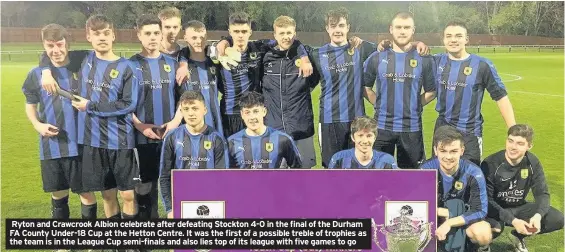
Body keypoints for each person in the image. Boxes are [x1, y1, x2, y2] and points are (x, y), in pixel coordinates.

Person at [63, 14, 139, 221]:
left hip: (120, 141)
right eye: (96, 34)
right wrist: (44, 72)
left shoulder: (126, 67)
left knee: (128, 194)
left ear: (113, 35)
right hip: (94, 142)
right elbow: (53, 53)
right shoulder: (83, 59)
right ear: (88, 36)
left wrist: (90, 106)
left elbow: (128, 104)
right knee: (107, 193)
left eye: (106, 33)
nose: (102, 37)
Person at [22, 24, 97, 231]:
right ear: (44, 46)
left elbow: (101, 53)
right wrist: (37, 125)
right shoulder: (36, 74)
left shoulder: (84, 65)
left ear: (68, 43)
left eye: (60, 44)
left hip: (82, 143)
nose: (56, 50)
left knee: (85, 193)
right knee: (58, 193)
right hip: (52, 145)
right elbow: (30, 105)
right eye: (50, 45)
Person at [432, 21, 516, 166]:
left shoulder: (482, 65)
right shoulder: (436, 61)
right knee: (440, 177)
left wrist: (514, 131)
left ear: (466, 39)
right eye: (449, 36)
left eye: (458, 36)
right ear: (444, 39)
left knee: (469, 177)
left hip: (469, 132)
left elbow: (500, 96)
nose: (453, 40)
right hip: (442, 129)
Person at [363, 11, 437, 169]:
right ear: (391, 29)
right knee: (378, 176)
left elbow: (432, 91)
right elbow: (366, 88)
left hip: (411, 128)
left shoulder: (425, 60)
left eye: (406, 27)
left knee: (411, 178)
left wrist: (415, 105)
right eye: (398, 27)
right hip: (382, 127)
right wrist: (380, 104)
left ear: (413, 30)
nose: (402, 31)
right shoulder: (376, 57)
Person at [129, 14, 182, 220]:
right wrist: (140, 126)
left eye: (156, 33)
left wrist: (175, 122)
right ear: (139, 36)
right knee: (145, 187)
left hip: (171, 135)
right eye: (147, 33)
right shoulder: (129, 65)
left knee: (173, 182)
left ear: (161, 35)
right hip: (142, 137)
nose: (152, 37)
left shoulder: (173, 64)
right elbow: (124, 103)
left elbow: (183, 99)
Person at [481, 124, 564, 252]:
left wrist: (537, 215)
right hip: (495, 210)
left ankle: (518, 236)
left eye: (520, 143)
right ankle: (483, 245)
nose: (513, 147)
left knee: (557, 219)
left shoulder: (532, 162)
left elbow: (542, 193)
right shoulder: (491, 163)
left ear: (529, 146)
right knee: (494, 227)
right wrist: (513, 220)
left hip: (518, 207)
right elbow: (487, 201)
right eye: (510, 141)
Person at [420, 125, 491, 252]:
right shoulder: (425, 170)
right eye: (443, 151)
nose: (448, 157)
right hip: (434, 218)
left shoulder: (473, 172)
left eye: (453, 151)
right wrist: (443, 212)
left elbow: (480, 210)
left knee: (483, 232)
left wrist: (450, 222)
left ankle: (477, 248)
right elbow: (418, 205)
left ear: (462, 150)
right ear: (436, 150)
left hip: (461, 218)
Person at [159, 90, 229, 218]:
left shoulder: (217, 139)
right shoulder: (172, 137)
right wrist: (170, 209)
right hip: (181, 202)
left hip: (210, 202)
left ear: (205, 110)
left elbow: (222, 177)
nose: (190, 113)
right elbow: (164, 177)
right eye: (186, 109)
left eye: (195, 108)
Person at [228, 91, 302, 169]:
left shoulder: (282, 139)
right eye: (247, 112)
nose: (252, 117)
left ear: (264, 111)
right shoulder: (232, 142)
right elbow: (226, 176)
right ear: (242, 115)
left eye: (256, 111)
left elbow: (298, 171)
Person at [176, 20, 224, 137]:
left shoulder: (215, 64)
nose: (199, 41)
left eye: (202, 37)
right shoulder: (179, 66)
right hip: (189, 130)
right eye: (194, 38)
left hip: (215, 126)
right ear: (185, 38)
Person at [328, 116, 398, 169]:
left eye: (369, 136)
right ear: (353, 137)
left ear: (375, 137)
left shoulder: (387, 161)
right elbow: (330, 186)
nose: (365, 141)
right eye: (360, 135)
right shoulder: (338, 159)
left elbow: (394, 187)